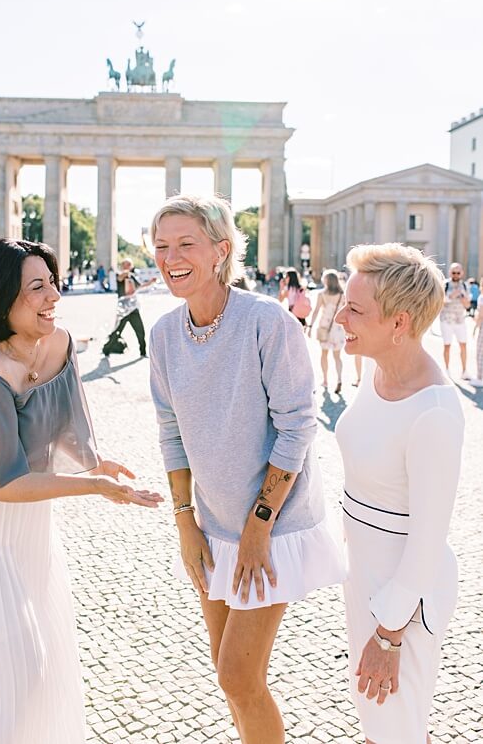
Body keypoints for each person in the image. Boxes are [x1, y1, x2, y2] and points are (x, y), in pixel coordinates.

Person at [0, 238, 161, 742]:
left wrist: (96, 461)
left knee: (44, 658)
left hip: (27, 518)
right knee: (15, 667)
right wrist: (92, 485)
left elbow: (67, 413)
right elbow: (0, 485)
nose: (53, 297)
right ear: (1, 298)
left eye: (53, 283)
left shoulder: (60, 342)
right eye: (37, 288)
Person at [148, 194, 345, 743]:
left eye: (187, 243)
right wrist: (184, 522)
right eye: (162, 246)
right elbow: (171, 433)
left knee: (237, 674)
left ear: (221, 251)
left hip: (272, 525)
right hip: (212, 527)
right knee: (229, 674)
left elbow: (298, 426)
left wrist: (259, 526)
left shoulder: (268, 322)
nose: (171, 256)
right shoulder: (164, 334)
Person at [333, 244, 463, 742]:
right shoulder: (375, 368)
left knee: (396, 731)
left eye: (356, 310)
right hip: (363, 578)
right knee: (380, 725)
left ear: (399, 323)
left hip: (403, 601)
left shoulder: (434, 413)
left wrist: (388, 638)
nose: (340, 316)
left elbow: (426, 544)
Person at [308, 269, 348, 394]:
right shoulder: (343, 295)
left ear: (326, 281)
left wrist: (310, 326)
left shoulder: (322, 294)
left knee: (324, 354)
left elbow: (315, 311)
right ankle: (339, 379)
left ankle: (325, 380)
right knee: (337, 357)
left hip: (325, 327)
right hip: (337, 328)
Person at [108, 258, 156, 356]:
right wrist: (126, 272)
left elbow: (140, 286)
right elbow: (120, 277)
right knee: (117, 331)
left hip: (133, 308)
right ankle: (106, 350)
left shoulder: (132, 277)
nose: (127, 266)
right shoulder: (120, 275)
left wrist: (150, 282)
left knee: (140, 330)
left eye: (129, 264)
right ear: (122, 266)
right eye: (125, 264)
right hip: (123, 309)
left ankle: (143, 352)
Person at [438, 262, 470, 379]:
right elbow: (439, 302)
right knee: (447, 346)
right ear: (450, 272)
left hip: (460, 320)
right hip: (446, 321)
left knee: (463, 345)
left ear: (462, 273)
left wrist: (463, 299)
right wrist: (450, 296)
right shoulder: (444, 284)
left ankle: (464, 371)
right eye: (453, 272)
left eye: (458, 272)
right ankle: (447, 370)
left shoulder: (465, 286)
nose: (456, 274)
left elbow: (467, 306)